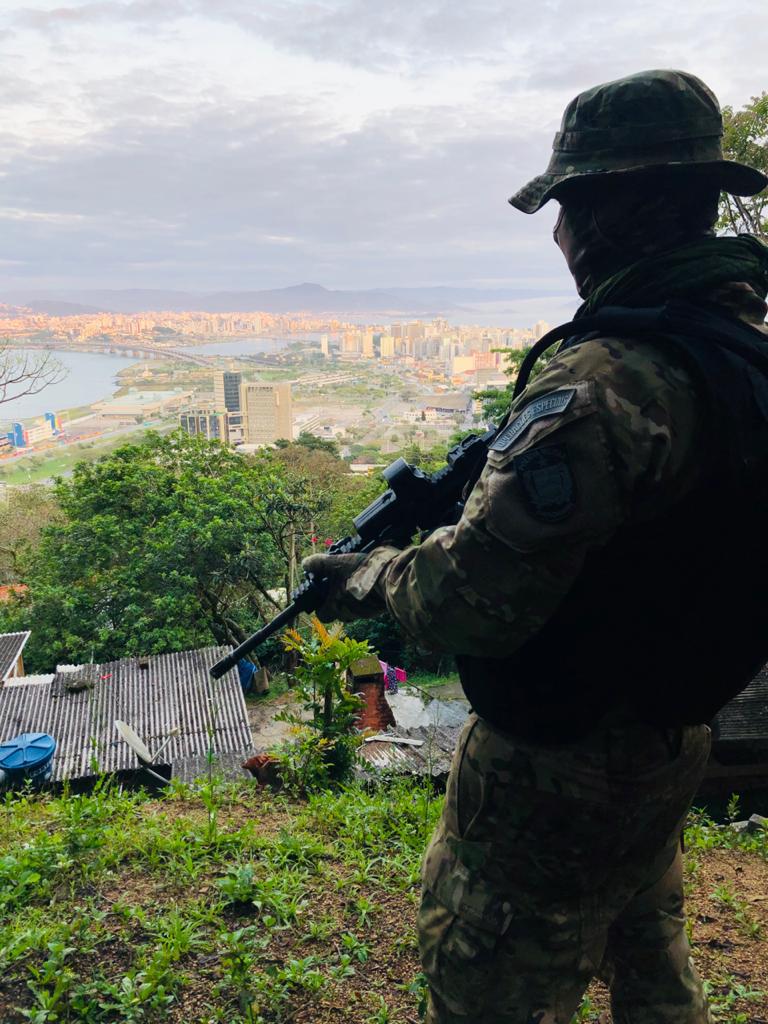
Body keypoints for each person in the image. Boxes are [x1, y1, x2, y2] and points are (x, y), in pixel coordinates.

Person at [303, 70, 768, 1023]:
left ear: (603, 213)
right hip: (671, 728)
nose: (559, 236)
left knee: (492, 978)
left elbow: (474, 597)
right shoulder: (744, 348)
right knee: (646, 944)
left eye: (564, 207)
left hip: (557, 759)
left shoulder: (606, 381)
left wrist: (361, 577)